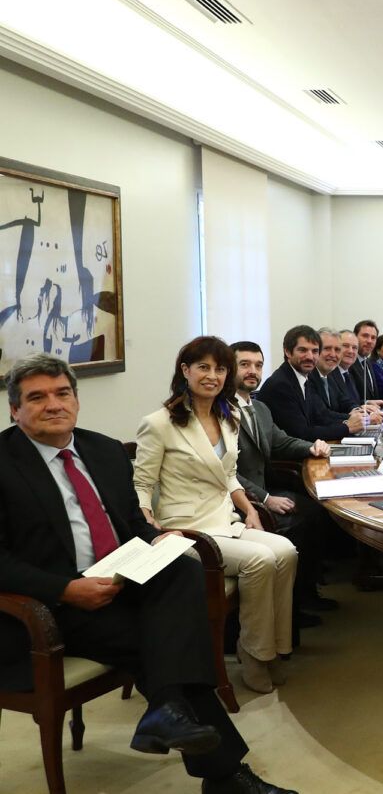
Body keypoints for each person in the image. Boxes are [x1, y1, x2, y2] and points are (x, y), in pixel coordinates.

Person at [0, 354, 296, 794]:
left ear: (76, 400)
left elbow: (133, 524)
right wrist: (66, 589)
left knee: (184, 570)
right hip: (51, 604)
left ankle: (168, 711)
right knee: (169, 642)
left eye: (62, 393)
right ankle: (223, 774)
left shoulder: (101, 450)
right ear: (15, 410)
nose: (54, 405)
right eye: (37, 398)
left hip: (119, 580)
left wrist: (157, 541)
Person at [133, 337, 298, 696]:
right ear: (185, 371)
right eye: (203, 367)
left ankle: (275, 648)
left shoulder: (228, 416)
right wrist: (149, 526)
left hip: (225, 520)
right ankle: (254, 654)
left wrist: (250, 510)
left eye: (220, 369)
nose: (212, 376)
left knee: (286, 551)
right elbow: (142, 483)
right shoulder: (159, 423)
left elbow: (228, 475)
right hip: (185, 530)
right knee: (259, 560)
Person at [231, 340, 337, 617]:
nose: (253, 371)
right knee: (302, 520)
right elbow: (226, 472)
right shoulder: (220, 412)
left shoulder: (259, 408)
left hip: (262, 490)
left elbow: (281, 441)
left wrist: (312, 447)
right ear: (228, 368)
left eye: (258, 365)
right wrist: (266, 498)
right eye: (244, 365)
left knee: (317, 510)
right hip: (238, 501)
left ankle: (306, 594)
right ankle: (293, 608)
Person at [256, 326, 365, 442]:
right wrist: (347, 427)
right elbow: (301, 434)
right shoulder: (281, 385)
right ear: (287, 352)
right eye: (303, 350)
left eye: (315, 351)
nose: (310, 357)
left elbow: (320, 415)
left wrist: (354, 419)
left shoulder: (302, 378)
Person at [311, 329, 357, 415]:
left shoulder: (328, 375)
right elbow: (321, 415)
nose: (333, 354)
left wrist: (359, 411)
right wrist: (353, 418)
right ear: (315, 351)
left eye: (337, 350)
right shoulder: (308, 377)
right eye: (327, 348)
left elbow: (344, 402)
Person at [348, 319, 380, 401]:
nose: (369, 341)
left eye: (373, 338)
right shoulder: (348, 363)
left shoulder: (368, 361)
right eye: (365, 336)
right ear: (355, 337)